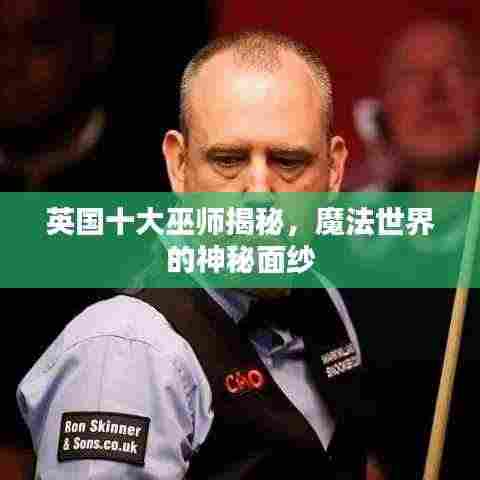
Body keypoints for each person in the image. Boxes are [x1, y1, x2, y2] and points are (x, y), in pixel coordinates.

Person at [17, 31, 370, 479]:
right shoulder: (126, 350)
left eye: (287, 161)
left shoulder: (323, 295)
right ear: (179, 166)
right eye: (228, 160)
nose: (259, 194)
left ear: (334, 170)